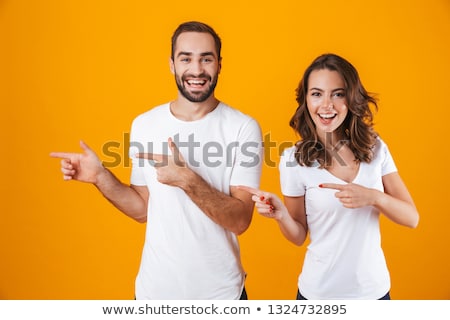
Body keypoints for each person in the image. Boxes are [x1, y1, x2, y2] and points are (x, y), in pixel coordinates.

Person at [50, 21, 263, 299]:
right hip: (155, 292)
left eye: (206, 59)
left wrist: (188, 180)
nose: (196, 70)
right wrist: (101, 177)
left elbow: (240, 220)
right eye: (186, 58)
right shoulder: (145, 124)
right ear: (172, 64)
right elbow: (142, 209)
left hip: (220, 295)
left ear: (219, 64)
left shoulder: (242, 127)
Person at [239, 53, 419, 300]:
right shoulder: (293, 160)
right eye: (317, 94)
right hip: (318, 295)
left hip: (373, 293)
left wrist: (374, 197)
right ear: (306, 101)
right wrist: (280, 215)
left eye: (337, 93)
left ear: (351, 98)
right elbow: (299, 235)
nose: (326, 105)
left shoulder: (376, 148)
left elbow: (412, 218)